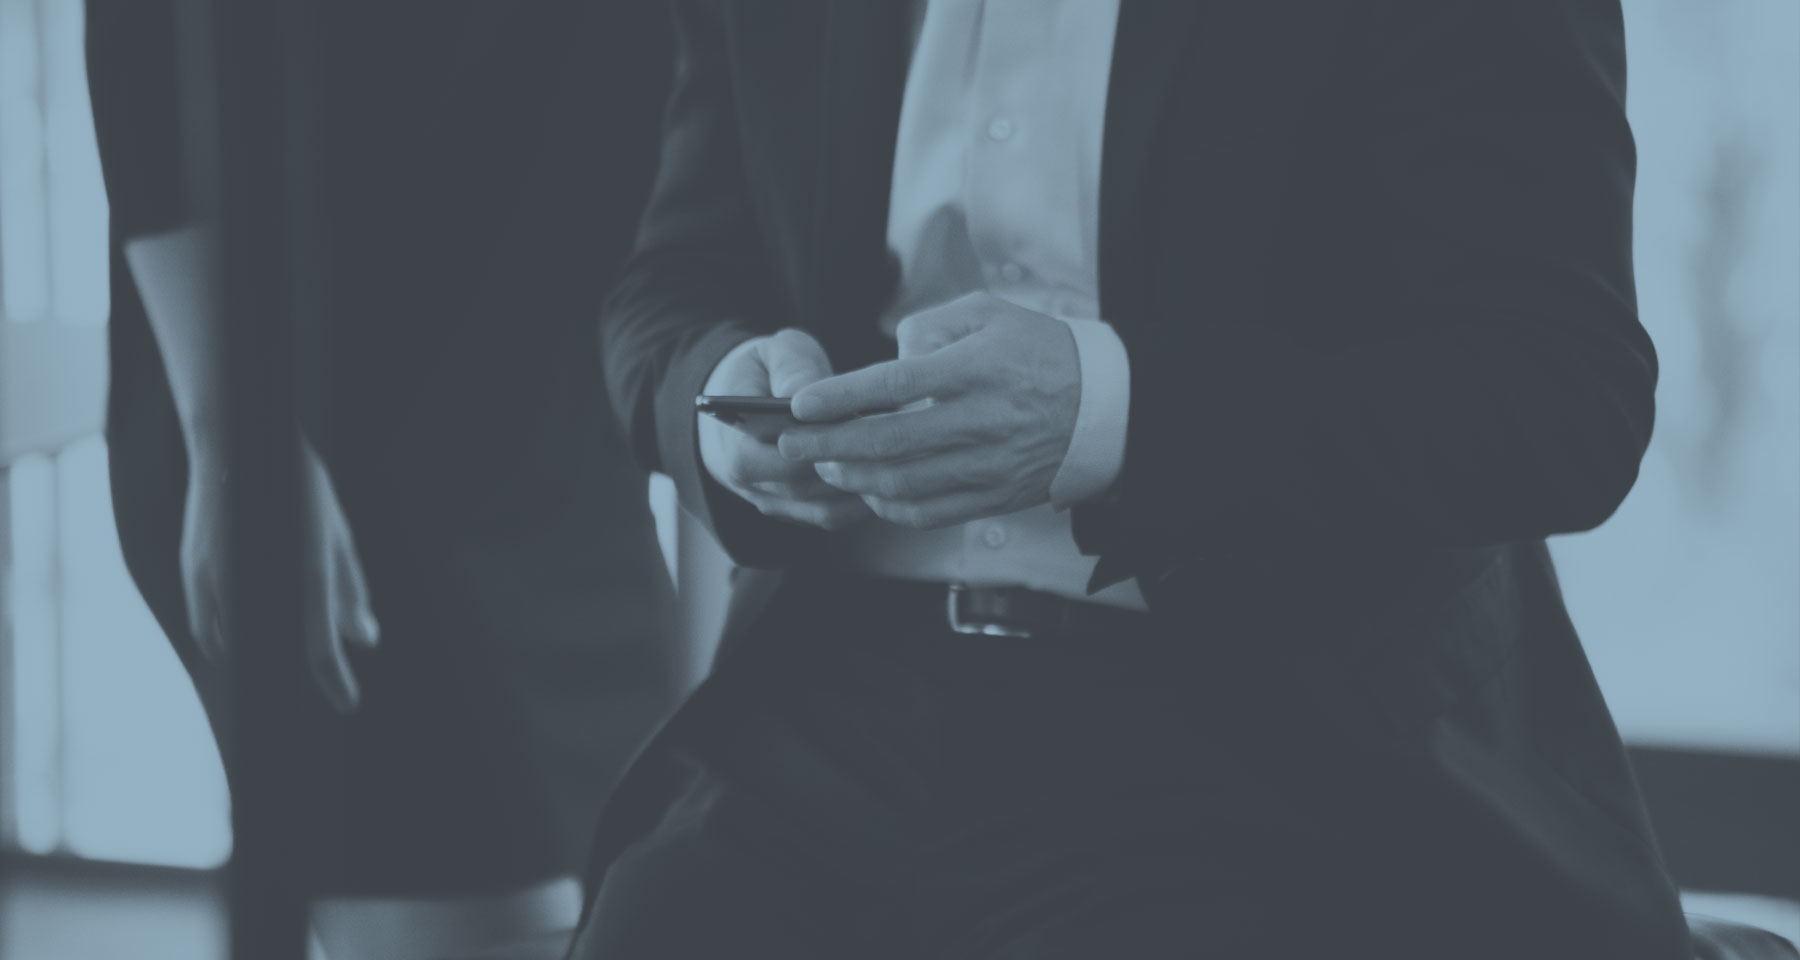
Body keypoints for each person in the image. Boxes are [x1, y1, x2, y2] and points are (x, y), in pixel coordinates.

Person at [570, 1, 1694, 957]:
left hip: (1279, 722)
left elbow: (1558, 395)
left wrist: (1108, 416)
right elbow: (668, 281)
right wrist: (721, 399)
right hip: (827, 691)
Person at [86, 1, 681, 957]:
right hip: (331, 449)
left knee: (640, 896)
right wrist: (240, 433)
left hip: (570, 442)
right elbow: (147, 46)